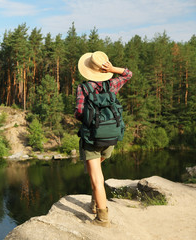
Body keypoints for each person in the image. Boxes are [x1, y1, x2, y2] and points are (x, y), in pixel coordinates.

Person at [75, 51, 132, 227]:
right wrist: (113, 69)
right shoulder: (112, 84)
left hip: (92, 138)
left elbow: (79, 112)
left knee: (97, 177)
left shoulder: (83, 88)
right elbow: (128, 74)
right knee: (96, 171)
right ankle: (93, 204)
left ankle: (102, 218)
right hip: (111, 137)